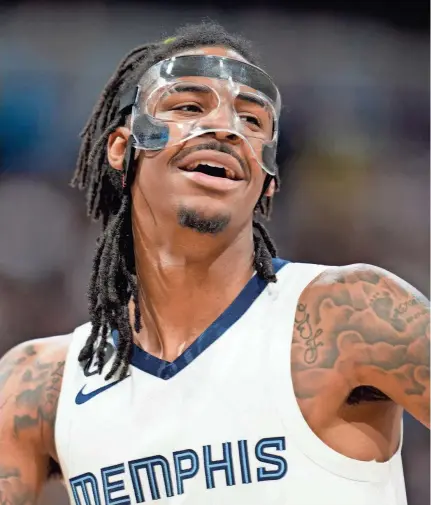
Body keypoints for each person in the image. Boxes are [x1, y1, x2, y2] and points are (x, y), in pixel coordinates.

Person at [0, 22, 429, 505]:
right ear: (122, 149)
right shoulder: (38, 388)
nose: (225, 128)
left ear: (268, 179)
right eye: (188, 106)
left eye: (251, 120)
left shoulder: (353, 315)